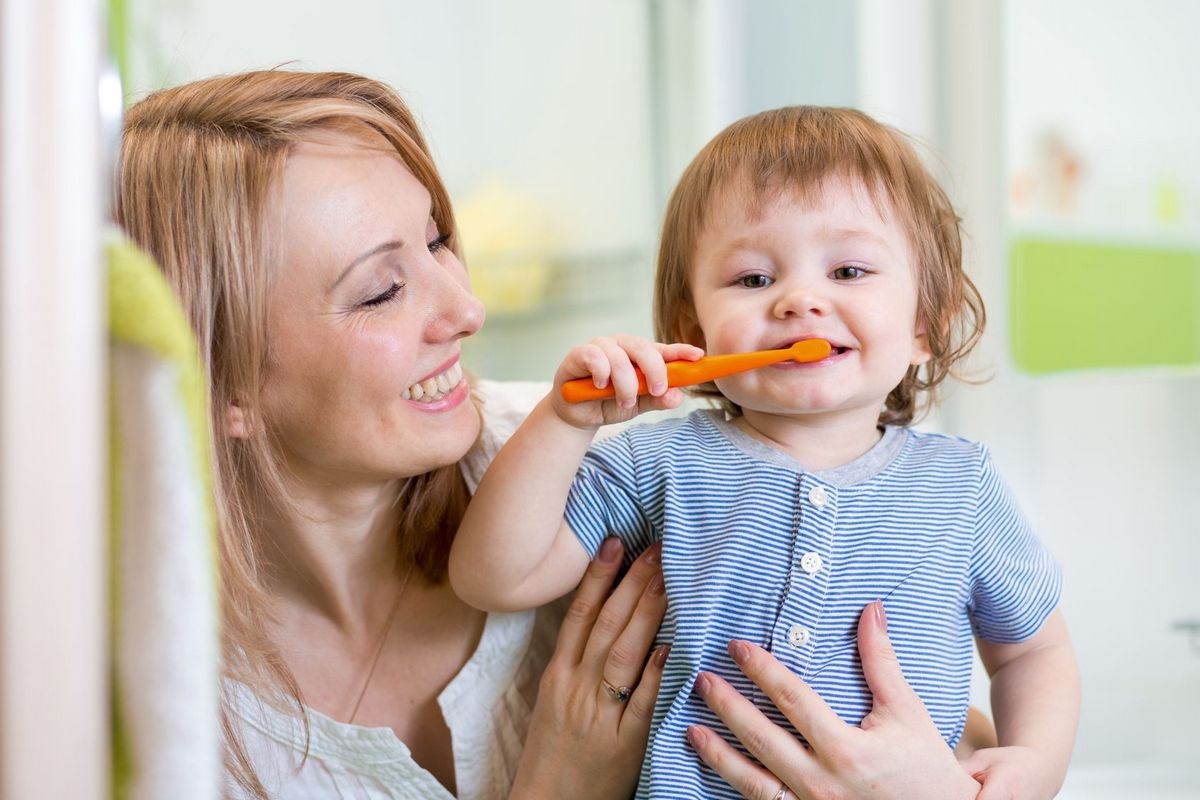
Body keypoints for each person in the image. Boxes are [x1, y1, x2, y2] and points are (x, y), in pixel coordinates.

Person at [449, 106, 1080, 799]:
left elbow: (1033, 652)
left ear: (924, 324)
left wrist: (1033, 768)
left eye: (847, 269)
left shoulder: (963, 487)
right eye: (753, 279)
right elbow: (494, 579)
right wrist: (562, 421)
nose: (800, 301)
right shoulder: (652, 465)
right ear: (695, 328)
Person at [115, 70, 670, 799]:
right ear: (223, 386)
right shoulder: (134, 705)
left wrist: (875, 773)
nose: (467, 310)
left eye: (438, 242)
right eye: (381, 291)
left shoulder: (604, 473)